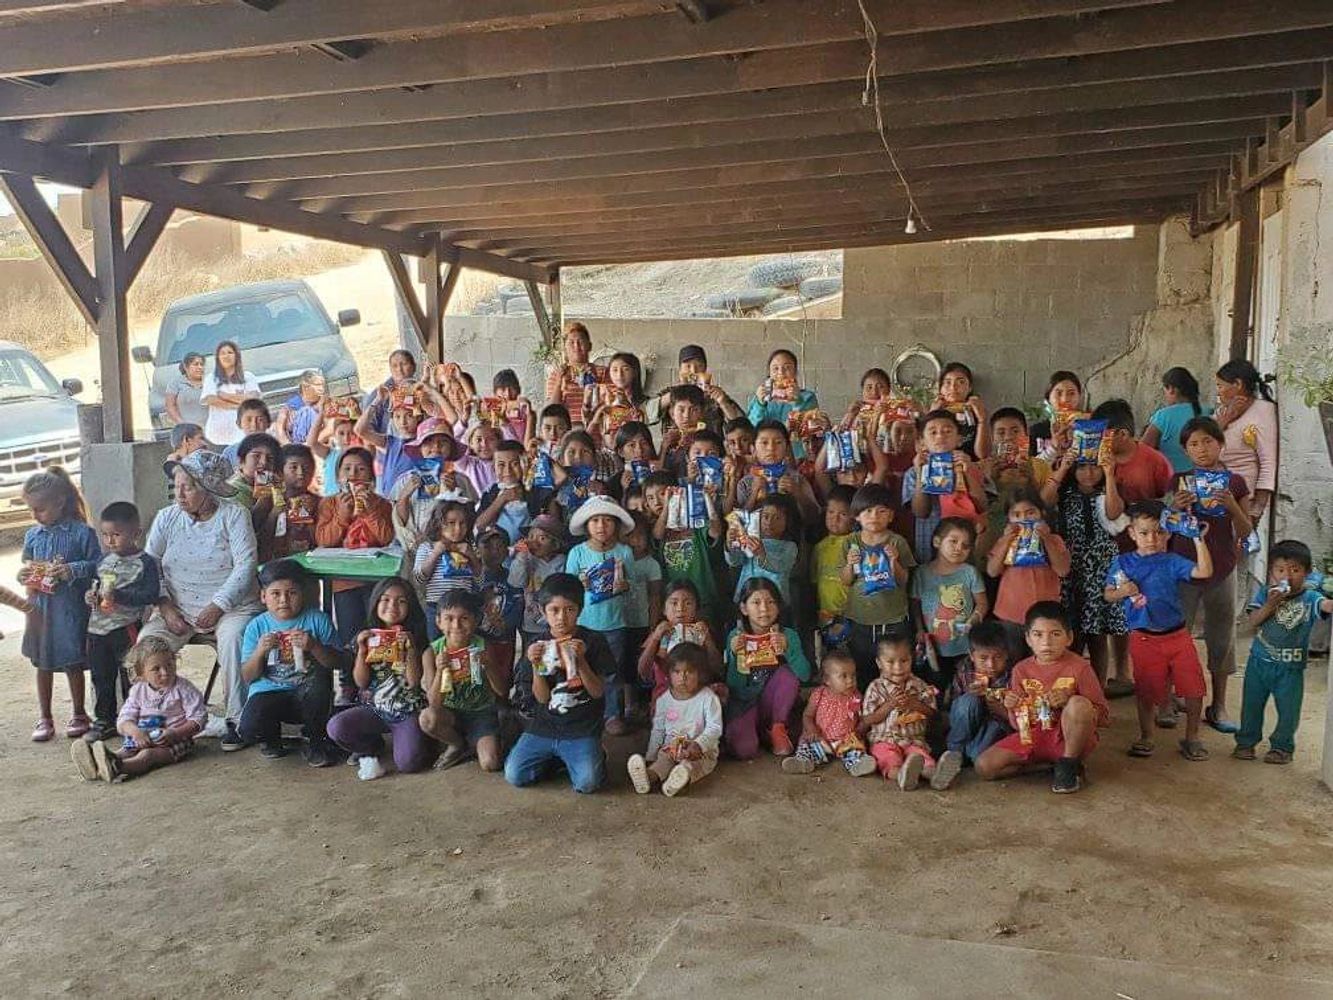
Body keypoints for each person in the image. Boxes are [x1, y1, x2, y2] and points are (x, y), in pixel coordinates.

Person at [141, 451, 262, 749]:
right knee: (147, 646)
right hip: (177, 609)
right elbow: (148, 565)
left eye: (189, 487)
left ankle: (237, 720)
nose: (179, 494)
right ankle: (155, 721)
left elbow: (246, 566)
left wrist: (218, 605)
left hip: (231, 607)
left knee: (234, 639)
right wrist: (166, 607)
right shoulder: (167, 518)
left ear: (209, 490)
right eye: (177, 486)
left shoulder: (234, 515)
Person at [1104, 501, 1214, 761]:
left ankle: (1192, 737)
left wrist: (1198, 538)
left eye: (1158, 532)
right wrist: (1123, 591)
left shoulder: (1172, 561)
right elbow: (1108, 595)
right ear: (1132, 533)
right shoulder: (1122, 563)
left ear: (1168, 532)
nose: (1151, 539)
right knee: (1145, 690)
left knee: (1194, 688)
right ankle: (1146, 736)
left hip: (1177, 635)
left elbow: (1204, 570)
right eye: (1144, 533)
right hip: (1143, 637)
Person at [975, 602, 1110, 794]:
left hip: (1068, 737)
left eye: (1055, 634)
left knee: (1078, 703)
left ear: (1069, 637)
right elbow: (1018, 726)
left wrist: (1070, 701)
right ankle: (1050, 766)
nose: (1046, 643)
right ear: (1028, 639)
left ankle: (1069, 762)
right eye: (1038, 635)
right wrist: (1012, 707)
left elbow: (1104, 717)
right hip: (1035, 735)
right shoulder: (1021, 670)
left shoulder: (1080, 667)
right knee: (984, 766)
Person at [1174, 416, 1253, 733]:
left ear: (1220, 443)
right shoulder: (1180, 481)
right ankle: (1173, 697)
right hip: (1184, 566)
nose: (1202, 449)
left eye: (1208, 441)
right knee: (1177, 635)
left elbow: (1246, 532)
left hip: (1222, 567)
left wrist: (1232, 505)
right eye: (1194, 443)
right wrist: (1179, 509)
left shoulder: (1235, 483)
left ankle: (1218, 704)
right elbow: (1167, 528)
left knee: (1223, 637)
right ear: (1185, 450)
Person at [505, 573, 615, 794]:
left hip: (582, 728)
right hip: (544, 727)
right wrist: (536, 666)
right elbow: (543, 698)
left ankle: (591, 756)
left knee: (587, 783)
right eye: (554, 610)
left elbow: (597, 692)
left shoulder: (593, 641)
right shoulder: (536, 644)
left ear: (580, 610)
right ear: (543, 611)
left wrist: (581, 660)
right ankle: (558, 760)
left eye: (569, 610)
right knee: (515, 774)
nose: (561, 618)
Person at [327, 577, 438, 780]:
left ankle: (419, 739)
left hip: (407, 711)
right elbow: (361, 682)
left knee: (409, 763)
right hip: (375, 708)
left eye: (401, 601)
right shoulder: (367, 636)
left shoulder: (416, 638)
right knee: (336, 727)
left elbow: (413, 683)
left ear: (410, 606)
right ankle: (371, 746)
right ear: (375, 602)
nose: (392, 606)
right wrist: (361, 651)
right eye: (385, 600)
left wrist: (411, 651)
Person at [18, 466, 100, 741]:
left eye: (39, 509)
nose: (35, 515)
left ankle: (79, 713)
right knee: (42, 662)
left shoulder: (82, 533)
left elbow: (98, 566)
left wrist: (72, 570)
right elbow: (29, 566)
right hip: (40, 610)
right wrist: (25, 576)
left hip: (70, 609)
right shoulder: (33, 535)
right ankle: (45, 716)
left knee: (72, 660)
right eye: (31, 509)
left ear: (60, 502)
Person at [1234, 540, 1333, 765]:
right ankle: (1246, 742)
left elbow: (1326, 606)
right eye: (1280, 570)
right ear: (1272, 572)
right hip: (1259, 662)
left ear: (1307, 573)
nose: (1287, 575)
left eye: (1295, 570)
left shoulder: (1310, 598)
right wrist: (1270, 604)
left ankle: (1281, 747)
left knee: (1289, 712)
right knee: (1251, 705)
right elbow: (1251, 623)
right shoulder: (1265, 594)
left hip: (1291, 668)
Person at [1041, 445, 1130, 693]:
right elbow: (1043, 500)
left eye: (1094, 467)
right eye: (1082, 467)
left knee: (1098, 632)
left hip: (1102, 569)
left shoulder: (1107, 493)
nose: (1088, 473)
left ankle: (1098, 690)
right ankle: (1072, 688)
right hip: (1072, 567)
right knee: (1073, 631)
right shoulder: (1065, 493)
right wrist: (1064, 467)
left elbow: (1114, 513)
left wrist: (1110, 474)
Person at [237, 560, 343, 765]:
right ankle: (271, 738)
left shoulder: (317, 620)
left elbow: (337, 662)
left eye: (292, 593)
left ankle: (315, 741)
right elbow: (248, 676)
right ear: (263, 596)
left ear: (303, 593)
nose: (284, 600)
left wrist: (314, 647)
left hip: (308, 694)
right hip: (269, 692)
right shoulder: (256, 627)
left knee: (319, 683)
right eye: (275, 594)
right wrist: (260, 652)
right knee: (249, 729)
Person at [69, 637, 206, 784]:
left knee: (148, 756)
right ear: (141, 673)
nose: (165, 672)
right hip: (142, 736)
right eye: (156, 669)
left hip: (175, 740)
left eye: (169, 664)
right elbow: (124, 718)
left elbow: (198, 718)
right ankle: (97, 763)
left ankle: (117, 767)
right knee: (124, 751)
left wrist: (175, 733)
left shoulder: (184, 689)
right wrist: (135, 732)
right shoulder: (138, 690)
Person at [83, 502, 161, 743]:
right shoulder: (104, 561)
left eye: (116, 534)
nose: (110, 541)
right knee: (101, 677)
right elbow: (96, 588)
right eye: (105, 535)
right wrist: (91, 597)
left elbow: (150, 595)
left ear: (136, 533)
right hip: (97, 630)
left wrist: (120, 596)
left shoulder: (145, 562)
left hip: (125, 628)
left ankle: (134, 719)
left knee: (131, 676)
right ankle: (104, 720)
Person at [314, 448, 395, 679]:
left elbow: (385, 537)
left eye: (361, 469)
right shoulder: (329, 504)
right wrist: (342, 514)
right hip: (344, 583)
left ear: (371, 476)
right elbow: (324, 540)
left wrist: (369, 513)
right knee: (350, 632)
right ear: (338, 475)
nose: (353, 474)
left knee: (376, 629)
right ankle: (349, 680)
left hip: (375, 581)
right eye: (347, 469)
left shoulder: (381, 504)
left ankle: (379, 680)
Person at [564, 495, 635, 734]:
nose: (601, 526)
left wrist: (625, 587)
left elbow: (631, 588)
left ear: (615, 524)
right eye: (595, 521)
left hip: (615, 623)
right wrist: (579, 585)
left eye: (607, 520)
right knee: (581, 668)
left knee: (613, 672)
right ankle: (585, 713)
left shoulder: (624, 552)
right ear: (587, 525)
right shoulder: (577, 553)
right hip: (584, 624)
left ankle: (612, 714)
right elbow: (567, 593)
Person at [419, 589, 508, 772]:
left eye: (464, 618)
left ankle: (481, 740)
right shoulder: (432, 652)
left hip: (481, 713)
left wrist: (488, 665)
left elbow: (502, 691)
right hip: (449, 714)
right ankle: (457, 744)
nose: (456, 625)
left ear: (475, 621)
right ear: (438, 622)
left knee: (490, 763)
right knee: (427, 719)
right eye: (449, 618)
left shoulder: (483, 647)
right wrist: (440, 671)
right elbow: (433, 703)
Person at [722, 578, 811, 759]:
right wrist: (734, 655)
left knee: (787, 676)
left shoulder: (787, 635)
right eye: (756, 602)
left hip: (775, 706)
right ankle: (761, 732)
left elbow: (805, 675)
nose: (764, 609)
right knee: (744, 750)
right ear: (744, 608)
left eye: (771, 602)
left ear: (779, 607)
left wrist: (788, 651)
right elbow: (734, 685)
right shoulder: (736, 636)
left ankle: (777, 728)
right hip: (745, 704)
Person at [838, 482, 915, 689]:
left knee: (894, 671)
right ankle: (867, 709)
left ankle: (894, 711)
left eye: (881, 511)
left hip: (893, 619)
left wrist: (894, 561)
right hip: (860, 619)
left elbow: (904, 580)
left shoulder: (897, 542)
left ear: (891, 516)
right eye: (868, 511)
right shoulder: (850, 542)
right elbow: (845, 580)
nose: (874, 516)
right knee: (862, 668)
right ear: (856, 515)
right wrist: (849, 564)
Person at [627, 641, 723, 797]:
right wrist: (651, 756)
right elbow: (658, 730)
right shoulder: (663, 700)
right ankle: (648, 778)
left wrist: (699, 745)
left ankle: (677, 781)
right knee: (662, 761)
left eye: (689, 672)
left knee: (690, 766)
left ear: (701, 674)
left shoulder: (708, 697)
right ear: (668, 674)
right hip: (670, 749)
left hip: (700, 752)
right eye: (677, 672)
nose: (682, 678)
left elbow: (715, 728)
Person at [861, 635, 956, 790]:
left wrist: (915, 704)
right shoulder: (875, 688)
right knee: (889, 760)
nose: (898, 668)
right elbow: (868, 719)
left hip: (913, 740)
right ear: (879, 663)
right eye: (890, 662)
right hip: (884, 740)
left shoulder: (919, 685)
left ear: (912, 659)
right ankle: (902, 776)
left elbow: (932, 714)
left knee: (922, 758)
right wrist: (890, 704)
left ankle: (935, 776)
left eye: (904, 661)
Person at [985, 489, 1071, 654]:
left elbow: (1063, 570)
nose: (1024, 519)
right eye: (1016, 515)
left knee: (1043, 659)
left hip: (1045, 616)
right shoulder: (1005, 542)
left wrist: (1046, 538)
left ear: (1042, 514)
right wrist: (1006, 541)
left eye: (1030, 513)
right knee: (1013, 658)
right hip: (1011, 614)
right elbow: (992, 571)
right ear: (1008, 519)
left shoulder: (1054, 540)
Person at [911, 516, 987, 690]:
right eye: (953, 541)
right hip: (933, 647)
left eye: (965, 546)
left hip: (964, 646)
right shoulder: (922, 573)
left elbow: (982, 604)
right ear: (937, 541)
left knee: (963, 687)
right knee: (935, 687)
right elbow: (915, 604)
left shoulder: (970, 573)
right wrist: (920, 629)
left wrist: (973, 620)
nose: (958, 548)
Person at [904, 409, 987, 563]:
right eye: (933, 432)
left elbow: (982, 505)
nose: (940, 436)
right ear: (922, 441)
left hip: (964, 548)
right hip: (929, 547)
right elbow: (920, 512)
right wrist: (921, 473)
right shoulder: (914, 472)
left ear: (960, 439)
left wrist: (967, 472)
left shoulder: (971, 467)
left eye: (947, 431)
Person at [782, 649, 877, 777]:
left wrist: (859, 732)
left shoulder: (856, 697)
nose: (850, 681)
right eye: (843, 676)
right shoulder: (819, 694)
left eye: (853, 675)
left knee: (855, 750)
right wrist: (811, 730)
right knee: (807, 747)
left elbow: (861, 719)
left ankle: (857, 765)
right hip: (820, 738)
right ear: (827, 680)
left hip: (845, 741)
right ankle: (803, 762)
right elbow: (807, 715)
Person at [637, 579, 721, 710]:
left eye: (688, 603)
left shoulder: (703, 631)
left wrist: (708, 640)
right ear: (664, 609)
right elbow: (643, 672)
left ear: (696, 608)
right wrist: (655, 639)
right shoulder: (658, 634)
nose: (680, 609)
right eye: (674, 603)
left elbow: (718, 669)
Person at [1213, 358, 1277, 521]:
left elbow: (1268, 462)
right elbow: (1201, 449)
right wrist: (1223, 422)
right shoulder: (1221, 413)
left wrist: (1256, 510)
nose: (1218, 392)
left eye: (1220, 386)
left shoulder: (1263, 411)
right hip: (1213, 498)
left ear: (1238, 384)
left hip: (1242, 502)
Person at [943, 621, 1014, 768]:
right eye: (983, 658)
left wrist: (999, 708)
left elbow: (1014, 719)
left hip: (994, 723)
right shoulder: (965, 670)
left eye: (997, 657)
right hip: (963, 724)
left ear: (1007, 654)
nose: (991, 665)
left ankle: (966, 756)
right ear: (972, 655)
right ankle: (954, 752)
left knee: (978, 754)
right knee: (969, 701)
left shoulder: (1012, 675)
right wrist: (973, 697)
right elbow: (954, 708)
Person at [411, 500, 479, 640]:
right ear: (438, 524)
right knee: (436, 646)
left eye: (462, 523)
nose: (458, 529)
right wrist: (435, 554)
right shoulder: (427, 547)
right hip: (436, 607)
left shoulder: (469, 548)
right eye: (451, 523)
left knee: (463, 646)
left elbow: (481, 580)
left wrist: (472, 557)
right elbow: (419, 579)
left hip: (464, 609)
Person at [1088, 398, 1174, 504]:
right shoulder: (1093, 458)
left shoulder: (1156, 461)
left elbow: (1169, 499)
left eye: (1102, 435)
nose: (1097, 440)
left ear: (1123, 434)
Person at [726, 493, 801, 605]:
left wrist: (761, 553)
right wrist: (730, 543)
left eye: (777, 518)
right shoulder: (751, 539)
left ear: (788, 522)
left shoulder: (789, 547)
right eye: (765, 516)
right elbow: (734, 561)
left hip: (775, 604)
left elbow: (780, 566)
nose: (769, 522)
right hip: (747, 600)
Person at [509, 514, 569, 649]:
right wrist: (521, 557)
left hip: (557, 623)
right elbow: (515, 582)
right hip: (531, 624)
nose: (534, 542)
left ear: (555, 544)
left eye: (542, 538)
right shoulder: (526, 560)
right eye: (531, 537)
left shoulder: (562, 562)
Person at [811, 484, 855, 645]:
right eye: (830, 512)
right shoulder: (819, 547)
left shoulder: (856, 544)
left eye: (843, 514)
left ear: (855, 517)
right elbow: (815, 583)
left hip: (852, 617)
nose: (834, 518)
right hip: (826, 617)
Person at [1143, 366, 1204, 474]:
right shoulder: (1208, 411)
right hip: (1204, 478)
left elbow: (1144, 449)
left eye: (1165, 390)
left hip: (1172, 479)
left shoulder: (1164, 416)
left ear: (1171, 389)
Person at [265, 443, 321, 560]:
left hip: (309, 565)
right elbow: (260, 538)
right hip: (275, 567)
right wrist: (275, 513)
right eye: (293, 467)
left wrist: (311, 516)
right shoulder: (267, 500)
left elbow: (322, 542)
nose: (301, 473)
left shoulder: (320, 502)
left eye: (306, 467)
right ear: (280, 471)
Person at [200, 340, 261, 447]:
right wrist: (238, 405)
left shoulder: (248, 377)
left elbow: (253, 400)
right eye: (222, 353)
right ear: (218, 358)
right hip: (218, 437)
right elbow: (211, 400)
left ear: (236, 355)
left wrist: (225, 396)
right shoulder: (211, 378)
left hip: (245, 434)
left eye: (230, 352)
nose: (226, 356)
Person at [544, 321, 605, 426]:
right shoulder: (556, 375)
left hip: (596, 428)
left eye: (580, 342)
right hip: (567, 431)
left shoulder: (603, 372)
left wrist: (594, 381)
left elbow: (611, 405)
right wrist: (559, 382)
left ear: (589, 346)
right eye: (571, 342)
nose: (576, 346)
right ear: (565, 348)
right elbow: (552, 410)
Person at [584, 351, 647, 447]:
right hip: (608, 455)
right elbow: (588, 434)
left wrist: (627, 405)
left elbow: (641, 430)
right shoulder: (604, 399)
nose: (619, 375)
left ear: (635, 372)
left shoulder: (643, 402)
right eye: (614, 370)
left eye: (625, 369)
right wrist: (588, 402)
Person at [932, 362, 986, 459]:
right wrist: (932, 416)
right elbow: (926, 450)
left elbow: (982, 454)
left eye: (960, 382)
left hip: (970, 467)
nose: (953, 387)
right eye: (948, 382)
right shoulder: (934, 411)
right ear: (940, 388)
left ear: (969, 388)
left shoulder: (977, 411)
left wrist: (982, 420)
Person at [360, 348, 419, 439]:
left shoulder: (421, 389)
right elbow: (368, 427)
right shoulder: (380, 393)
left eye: (404, 364)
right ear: (390, 369)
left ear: (414, 367)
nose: (399, 369)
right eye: (394, 366)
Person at [1028, 370, 1085, 461]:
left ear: (1079, 397)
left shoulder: (1089, 429)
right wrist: (1053, 447)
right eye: (1059, 393)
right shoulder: (1036, 432)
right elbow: (1030, 470)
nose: (1065, 399)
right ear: (1048, 398)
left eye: (1071, 393)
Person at [273, 369, 325, 446]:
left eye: (322, 385)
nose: (322, 389)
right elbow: (279, 428)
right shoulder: (290, 406)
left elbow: (330, 428)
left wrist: (308, 444)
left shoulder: (325, 403)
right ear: (305, 387)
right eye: (317, 385)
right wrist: (289, 446)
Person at [221, 399, 273, 468]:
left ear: (269, 423)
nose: (254, 425)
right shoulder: (230, 453)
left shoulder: (277, 449)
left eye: (260, 420)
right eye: (249, 420)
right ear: (239, 424)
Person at [490, 367, 535, 444]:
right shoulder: (493, 410)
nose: (508, 394)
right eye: (503, 389)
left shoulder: (525, 410)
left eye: (511, 388)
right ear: (495, 393)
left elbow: (527, 446)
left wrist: (530, 417)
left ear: (519, 390)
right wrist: (498, 417)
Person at [165, 351, 208, 428]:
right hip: (187, 429)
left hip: (211, 429)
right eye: (196, 364)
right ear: (186, 367)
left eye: (202, 364)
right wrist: (182, 424)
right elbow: (170, 406)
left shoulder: (209, 382)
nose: (200, 367)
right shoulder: (175, 383)